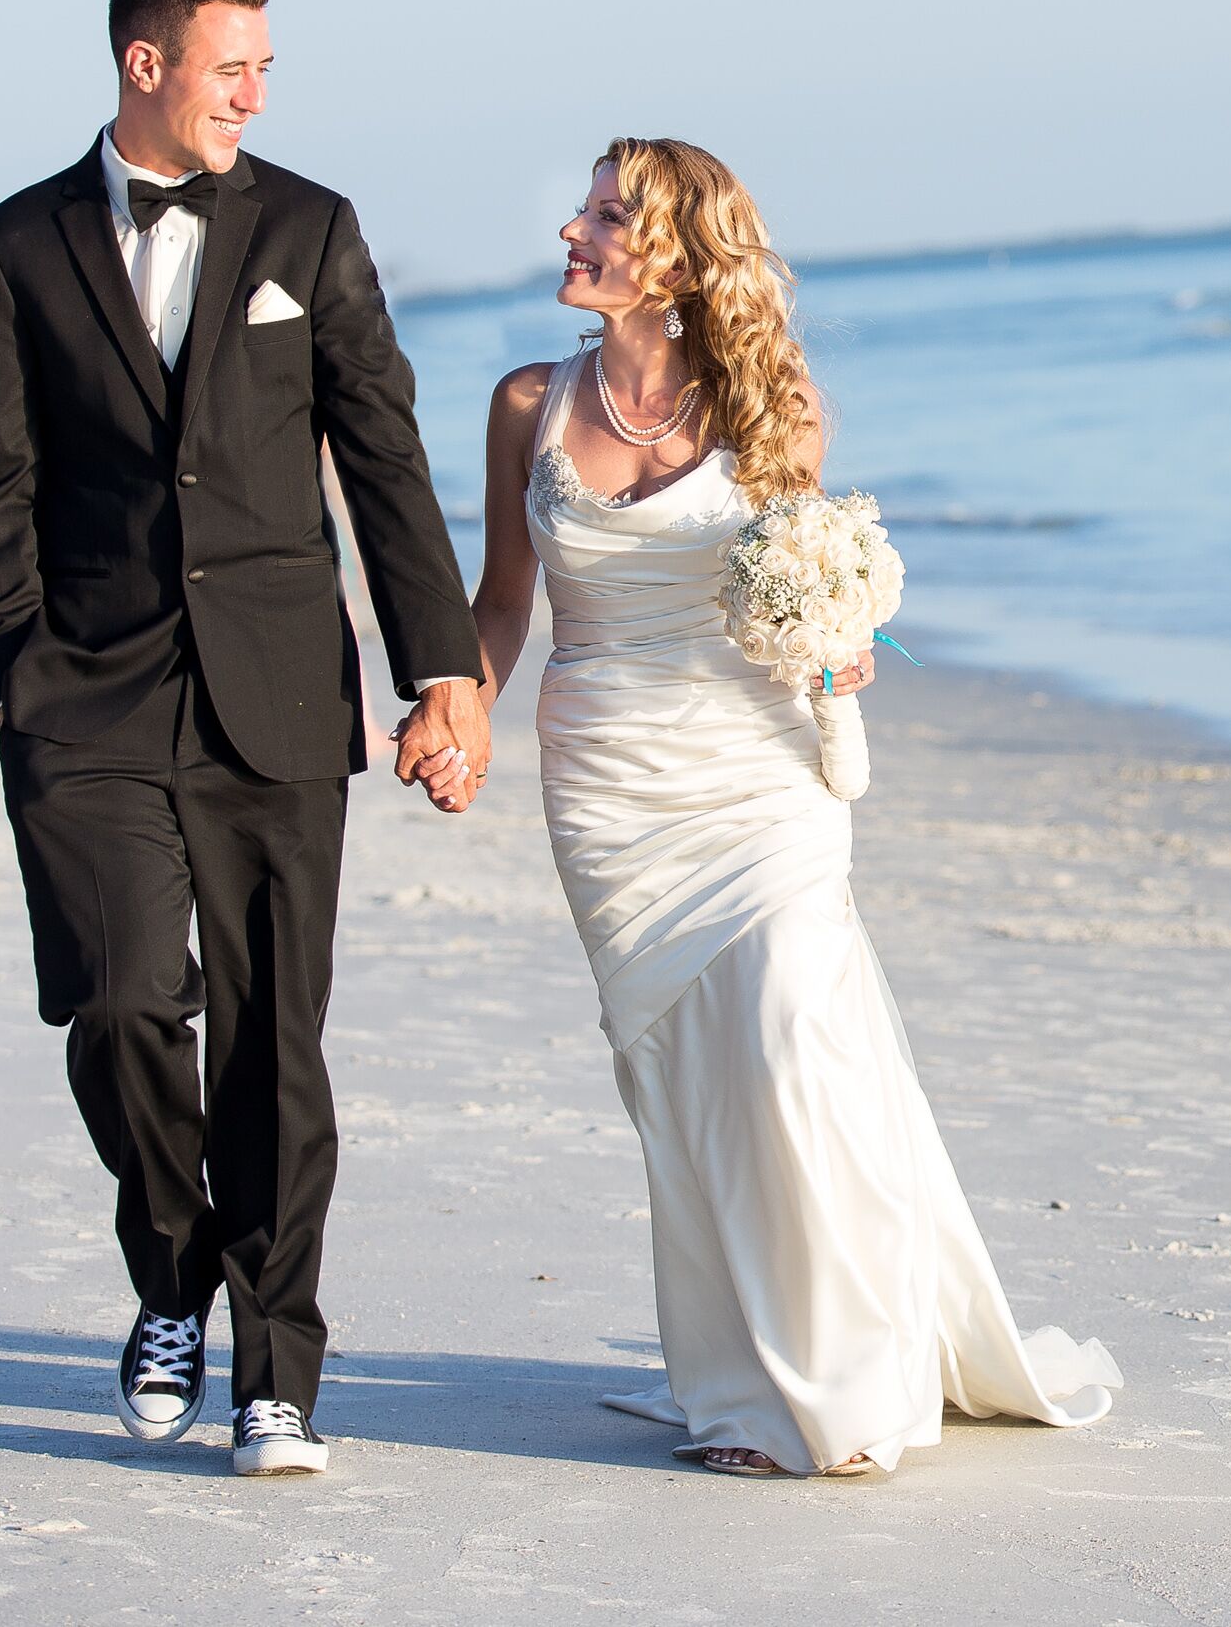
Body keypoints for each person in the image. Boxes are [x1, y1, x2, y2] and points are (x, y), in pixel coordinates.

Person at [432, 136, 1117, 1476]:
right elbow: (504, 598)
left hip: (757, 774)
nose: (572, 229)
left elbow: (806, 582)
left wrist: (841, 641)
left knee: (799, 1039)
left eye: (606, 213)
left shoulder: (771, 403)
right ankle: (748, 1388)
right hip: (613, 784)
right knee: (690, 1084)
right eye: (584, 207)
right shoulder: (527, 402)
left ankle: (856, 1378)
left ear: (679, 250)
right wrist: (460, 703)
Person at [0, 0, 492, 1476]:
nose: (254, 92)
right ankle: (171, 1265)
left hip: (269, 692)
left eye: (264, 68)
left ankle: (279, 1369)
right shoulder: (18, 245)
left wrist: (435, 667)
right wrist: (16, 682)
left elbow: (382, 454)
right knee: (121, 1004)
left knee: (271, 1039)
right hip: (88, 702)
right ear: (145, 65)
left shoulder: (308, 228)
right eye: (229, 64)